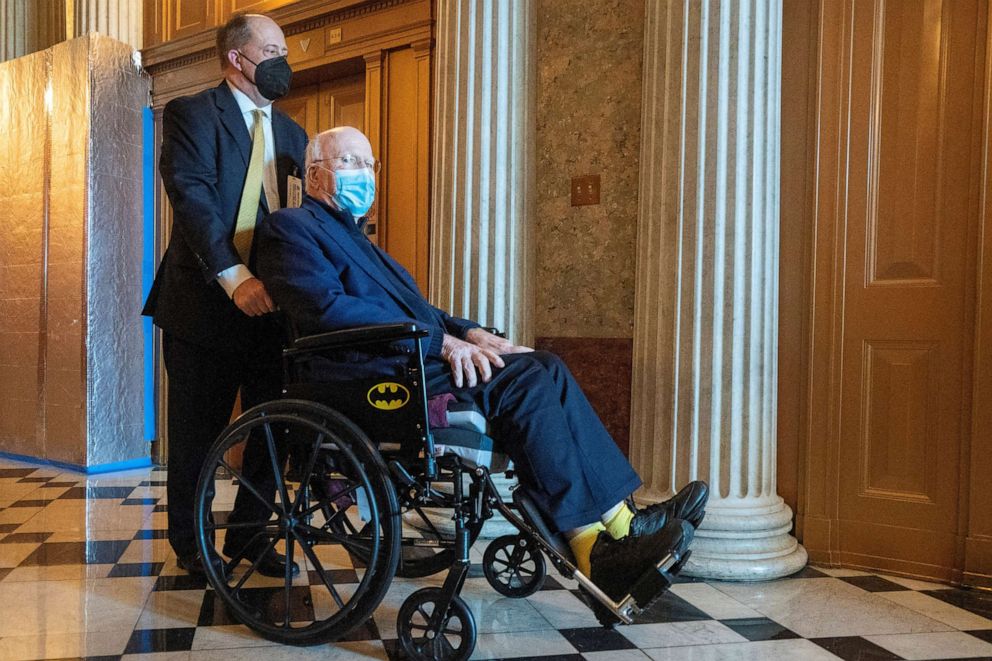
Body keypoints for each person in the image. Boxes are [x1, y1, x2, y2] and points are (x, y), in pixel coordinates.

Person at [255, 127, 708, 602]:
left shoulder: (363, 242)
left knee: (544, 364)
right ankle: (592, 548)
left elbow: (423, 312)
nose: (364, 175)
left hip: (410, 357)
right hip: (369, 372)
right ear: (314, 175)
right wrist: (443, 344)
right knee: (528, 383)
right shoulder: (291, 228)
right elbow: (325, 310)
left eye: (370, 166)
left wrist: (471, 333)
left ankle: (622, 521)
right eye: (351, 163)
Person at [142, 13, 308, 577]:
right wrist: (236, 280)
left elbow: (296, 218)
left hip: (273, 311)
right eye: (273, 49)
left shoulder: (292, 133)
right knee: (198, 432)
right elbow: (195, 202)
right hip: (204, 305)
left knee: (271, 428)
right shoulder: (193, 115)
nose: (284, 60)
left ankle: (250, 536)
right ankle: (192, 545)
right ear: (238, 58)